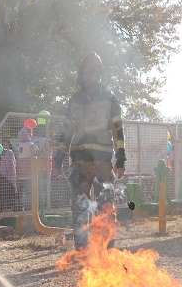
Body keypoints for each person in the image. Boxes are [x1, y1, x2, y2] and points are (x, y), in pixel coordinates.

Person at [53, 52, 126, 250]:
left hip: (102, 163)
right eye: (86, 71)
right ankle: (82, 251)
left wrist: (121, 159)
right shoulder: (74, 100)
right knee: (79, 209)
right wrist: (58, 161)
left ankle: (107, 251)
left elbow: (118, 130)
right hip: (79, 162)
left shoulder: (110, 98)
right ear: (81, 73)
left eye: (92, 72)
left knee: (105, 207)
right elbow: (66, 132)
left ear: (99, 74)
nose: (88, 75)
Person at [16, 126, 39, 211]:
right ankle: (29, 208)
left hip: (22, 172)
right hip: (29, 172)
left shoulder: (20, 144)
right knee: (29, 192)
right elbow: (36, 152)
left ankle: (22, 208)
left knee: (23, 192)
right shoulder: (30, 144)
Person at [0, 141, 19, 211]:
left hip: (9, 176)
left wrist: (11, 176)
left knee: (10, 192)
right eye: (3, 145)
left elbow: (11, 165)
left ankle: (10, 207)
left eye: (6, 145)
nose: (5, 147)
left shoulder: (10, 152)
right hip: (3, 176)